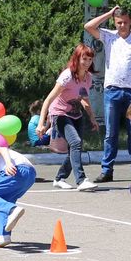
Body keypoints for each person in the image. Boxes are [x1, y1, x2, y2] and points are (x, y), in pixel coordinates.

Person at [84, 4, 131, 183]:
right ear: (114, 22)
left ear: (130, 21)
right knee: (111, 132)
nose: (122, 26)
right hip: (112, 90)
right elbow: (88, 26)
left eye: (125, 22)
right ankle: (107, 170)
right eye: (118, 22)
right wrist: (109, 13)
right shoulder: (110, 37)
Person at [35, 44, 100, 190]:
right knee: (76, 142)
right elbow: (48, 100)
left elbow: (84, 98)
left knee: (75, 148)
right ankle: (81, 180)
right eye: (84, 59)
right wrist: (41, 124)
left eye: (90, 59)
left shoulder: (88, 78)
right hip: (59, 114)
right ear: (77, 58)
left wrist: (92, 118)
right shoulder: (67, 76)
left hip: (76, 115)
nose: (87, 62)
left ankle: (60, 178)